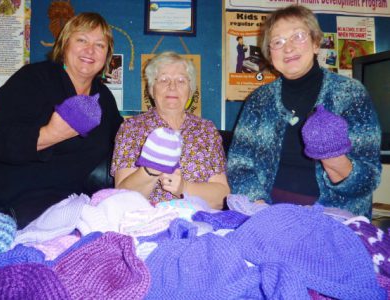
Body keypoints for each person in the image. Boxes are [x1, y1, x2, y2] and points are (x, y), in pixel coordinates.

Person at [0, 12, 123, 227]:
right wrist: (50, 134)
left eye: (99, 45)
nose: (90, 50)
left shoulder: (104, 100)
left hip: (40, 218)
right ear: (64, 44)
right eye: (81, 40)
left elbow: (125, 139)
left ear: (107, 55)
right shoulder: (34, 78)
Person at [227, 5, 381, 217]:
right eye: (278, 42)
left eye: (298, 36)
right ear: (270, 55)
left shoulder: (351, 94)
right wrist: (260, 208)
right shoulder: (258, 101)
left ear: (316, 43)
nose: (288, 48)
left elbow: (369, 178)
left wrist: (334, 159)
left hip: (333, 216)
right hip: (267, 211)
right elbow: (239, 165)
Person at [111, 51, 230, 209]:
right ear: (152, 89)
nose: (172, 87)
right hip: (145, 222)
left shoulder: (206, 130)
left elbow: (222, 195)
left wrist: (184, 188)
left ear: (190, 90)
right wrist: (150, 170)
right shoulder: (131, 128)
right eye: (164, 79)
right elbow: (121, 199)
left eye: (181, 81)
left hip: (198, 222)